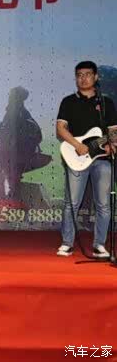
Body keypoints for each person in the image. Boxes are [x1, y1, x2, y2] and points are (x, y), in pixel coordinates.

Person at [56, 61, 117, 258]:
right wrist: (77, 145)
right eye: (79, 75)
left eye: (88, 74)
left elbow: (113, 131)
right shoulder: (68, 101)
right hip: (77, 157)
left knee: (103, 204)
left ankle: (99, 245)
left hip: (102, 160)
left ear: (96, 77)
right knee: (71, 202)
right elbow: (60, 129)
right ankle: (67, 243)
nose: (83, 78)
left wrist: (112, 144)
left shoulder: (106, 103)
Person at [0, 86, 45, 200]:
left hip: (17, 152)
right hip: (12, 151)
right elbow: (6, 132)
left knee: (1, 166)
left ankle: (5, 198)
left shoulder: (18, 113)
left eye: (12, 95)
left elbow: (9, 131)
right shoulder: (16, 112)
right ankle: (2, 198)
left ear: (18, 98)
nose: (9, 97)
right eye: (10, 95)